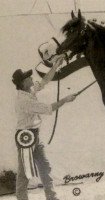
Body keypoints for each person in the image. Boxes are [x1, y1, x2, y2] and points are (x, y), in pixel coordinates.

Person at [12, 56, 76, 200]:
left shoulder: (28, 91)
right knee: (25, 174)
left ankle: (52, 197)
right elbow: (48, 108)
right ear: (23, 83)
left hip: (34, 136)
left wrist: (55, 67)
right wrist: (65, 100)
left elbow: (44, 81)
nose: (31, 78)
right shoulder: (24, 100)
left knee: (45, 167)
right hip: (25, 138)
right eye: (28, 78)